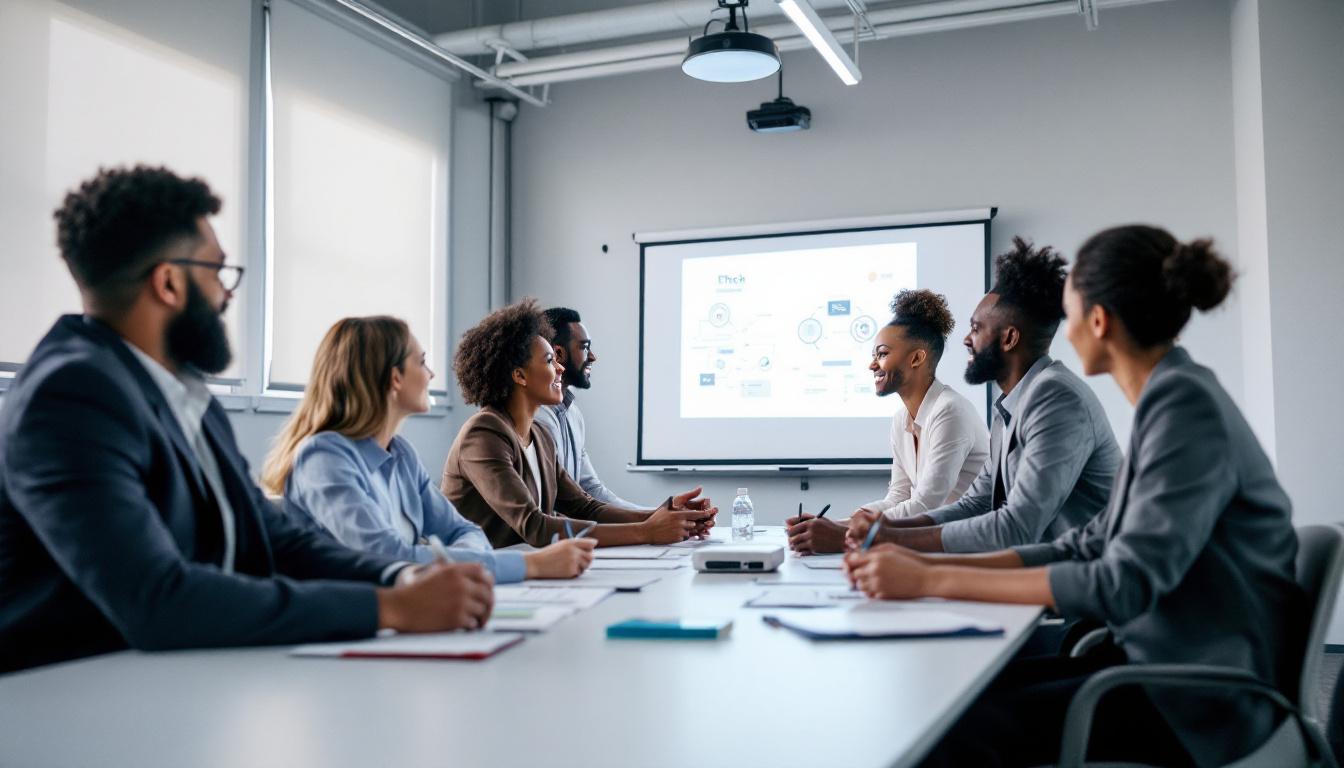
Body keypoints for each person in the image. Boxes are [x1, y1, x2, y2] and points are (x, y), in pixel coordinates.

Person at [845, 225, 1305, 767]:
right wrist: (916, 557)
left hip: (1194, 701)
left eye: (1070, 313)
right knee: (963, 699)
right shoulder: (1171, 398)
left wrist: (930, 576)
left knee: (951, 729)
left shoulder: (1184, 408)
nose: (1063, 333)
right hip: (1151, 665)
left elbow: (1120, 583)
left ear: (1099, 320)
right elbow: (1089, 543)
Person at [0, 166, 491, 674]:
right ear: (169, 282)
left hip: (168, 677)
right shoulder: (73, 397)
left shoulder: (185, 396)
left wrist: (397, 577)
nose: (227, 294)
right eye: (217, 271)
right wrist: (389, 609)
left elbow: (272, 538)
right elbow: (158, 599)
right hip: (65, 695)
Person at [264, 316, 594, 582]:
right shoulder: (324, 459)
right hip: (339, 634)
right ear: (395, 378)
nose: (432, 373)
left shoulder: (400, 455)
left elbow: (464, 531)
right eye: (422, 362)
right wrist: (530, 566)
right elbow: (389, 558)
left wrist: (453, 558)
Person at [848, 238, 1120, 554]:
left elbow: (1017, 526)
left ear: (1009, 338)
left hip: (1081, 580)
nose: (966, 339)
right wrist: (882, 529)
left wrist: (888, 538)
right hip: (1041, 569)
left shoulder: (1056, 397)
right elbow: (976, 503)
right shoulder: (1011, 406)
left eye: (976, 328)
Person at [442, 299, 716, 548]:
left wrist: (666, 516)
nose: (559, 368)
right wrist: (647, 531)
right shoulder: (484, 434)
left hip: (521, 571)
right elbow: (535, 526)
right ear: (519, 376)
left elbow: (586, 508)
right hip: (477, 580)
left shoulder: (539, 436)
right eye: (549, 360)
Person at [785, 289, 988, 554]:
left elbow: (927, 505)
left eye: (881, 354)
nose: (872, 365)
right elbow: (899, 497)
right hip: (927, 544)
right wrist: (833, 525)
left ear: (916, 358)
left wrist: (844, 532)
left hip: (964, 548)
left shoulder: (950, 411)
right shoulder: (901, 418)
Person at [535, 307, 640, 508]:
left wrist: (660, 514)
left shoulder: (573, 414)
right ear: (558, 353)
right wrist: (651, 523)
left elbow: (591, 490)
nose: (592, 357)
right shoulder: (537, 418)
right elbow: (563, 504)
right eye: (584, 347)